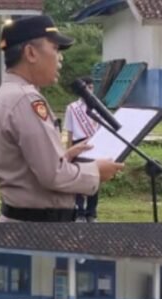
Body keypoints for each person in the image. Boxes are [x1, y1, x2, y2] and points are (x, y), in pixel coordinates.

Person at [0, 15, 124, 222]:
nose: (60, 58)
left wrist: (65, 156)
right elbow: (53, 175)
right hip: (35, 225)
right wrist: (95, 171)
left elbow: (28, 164)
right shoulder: (26, 99)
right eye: (55, 49)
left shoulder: (8, 94)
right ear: (31, 53)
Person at [64, 76, 102, 222]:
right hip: (78, 144)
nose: (90, 91)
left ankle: (91, 212)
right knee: (78, 177)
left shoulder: (98, 106)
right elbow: (69, 131)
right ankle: (80, 211)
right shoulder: (72, 108)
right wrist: (69, 151)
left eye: (92, 88)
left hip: (94, 143)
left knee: (94, 178)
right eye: (87, 88)